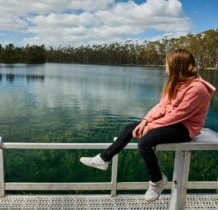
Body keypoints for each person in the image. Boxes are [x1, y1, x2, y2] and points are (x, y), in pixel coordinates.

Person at [79, 49, 216, 202]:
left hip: (186, 128)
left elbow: (179, 115)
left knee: (145, 142)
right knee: (130, 128)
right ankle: (104, 159)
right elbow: (162, 106)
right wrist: (146, 120)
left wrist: (151, 126)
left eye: (167, 63)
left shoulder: (197, 88)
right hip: (170, 122)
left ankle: (157, 181)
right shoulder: (176, 83)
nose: (165, 66)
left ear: (177, 66)